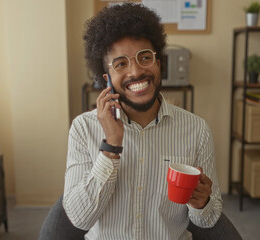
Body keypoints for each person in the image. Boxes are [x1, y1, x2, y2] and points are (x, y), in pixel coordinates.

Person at [63, 3, 222, 239]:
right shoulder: (83, 128)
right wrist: (110, 148)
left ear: (159, 64)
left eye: (145, 57)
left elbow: (209, 219)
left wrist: (202, 203)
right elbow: (79, 219)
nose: (136, 72)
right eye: (121, 64)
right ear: (107, 78)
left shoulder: (196, 130)